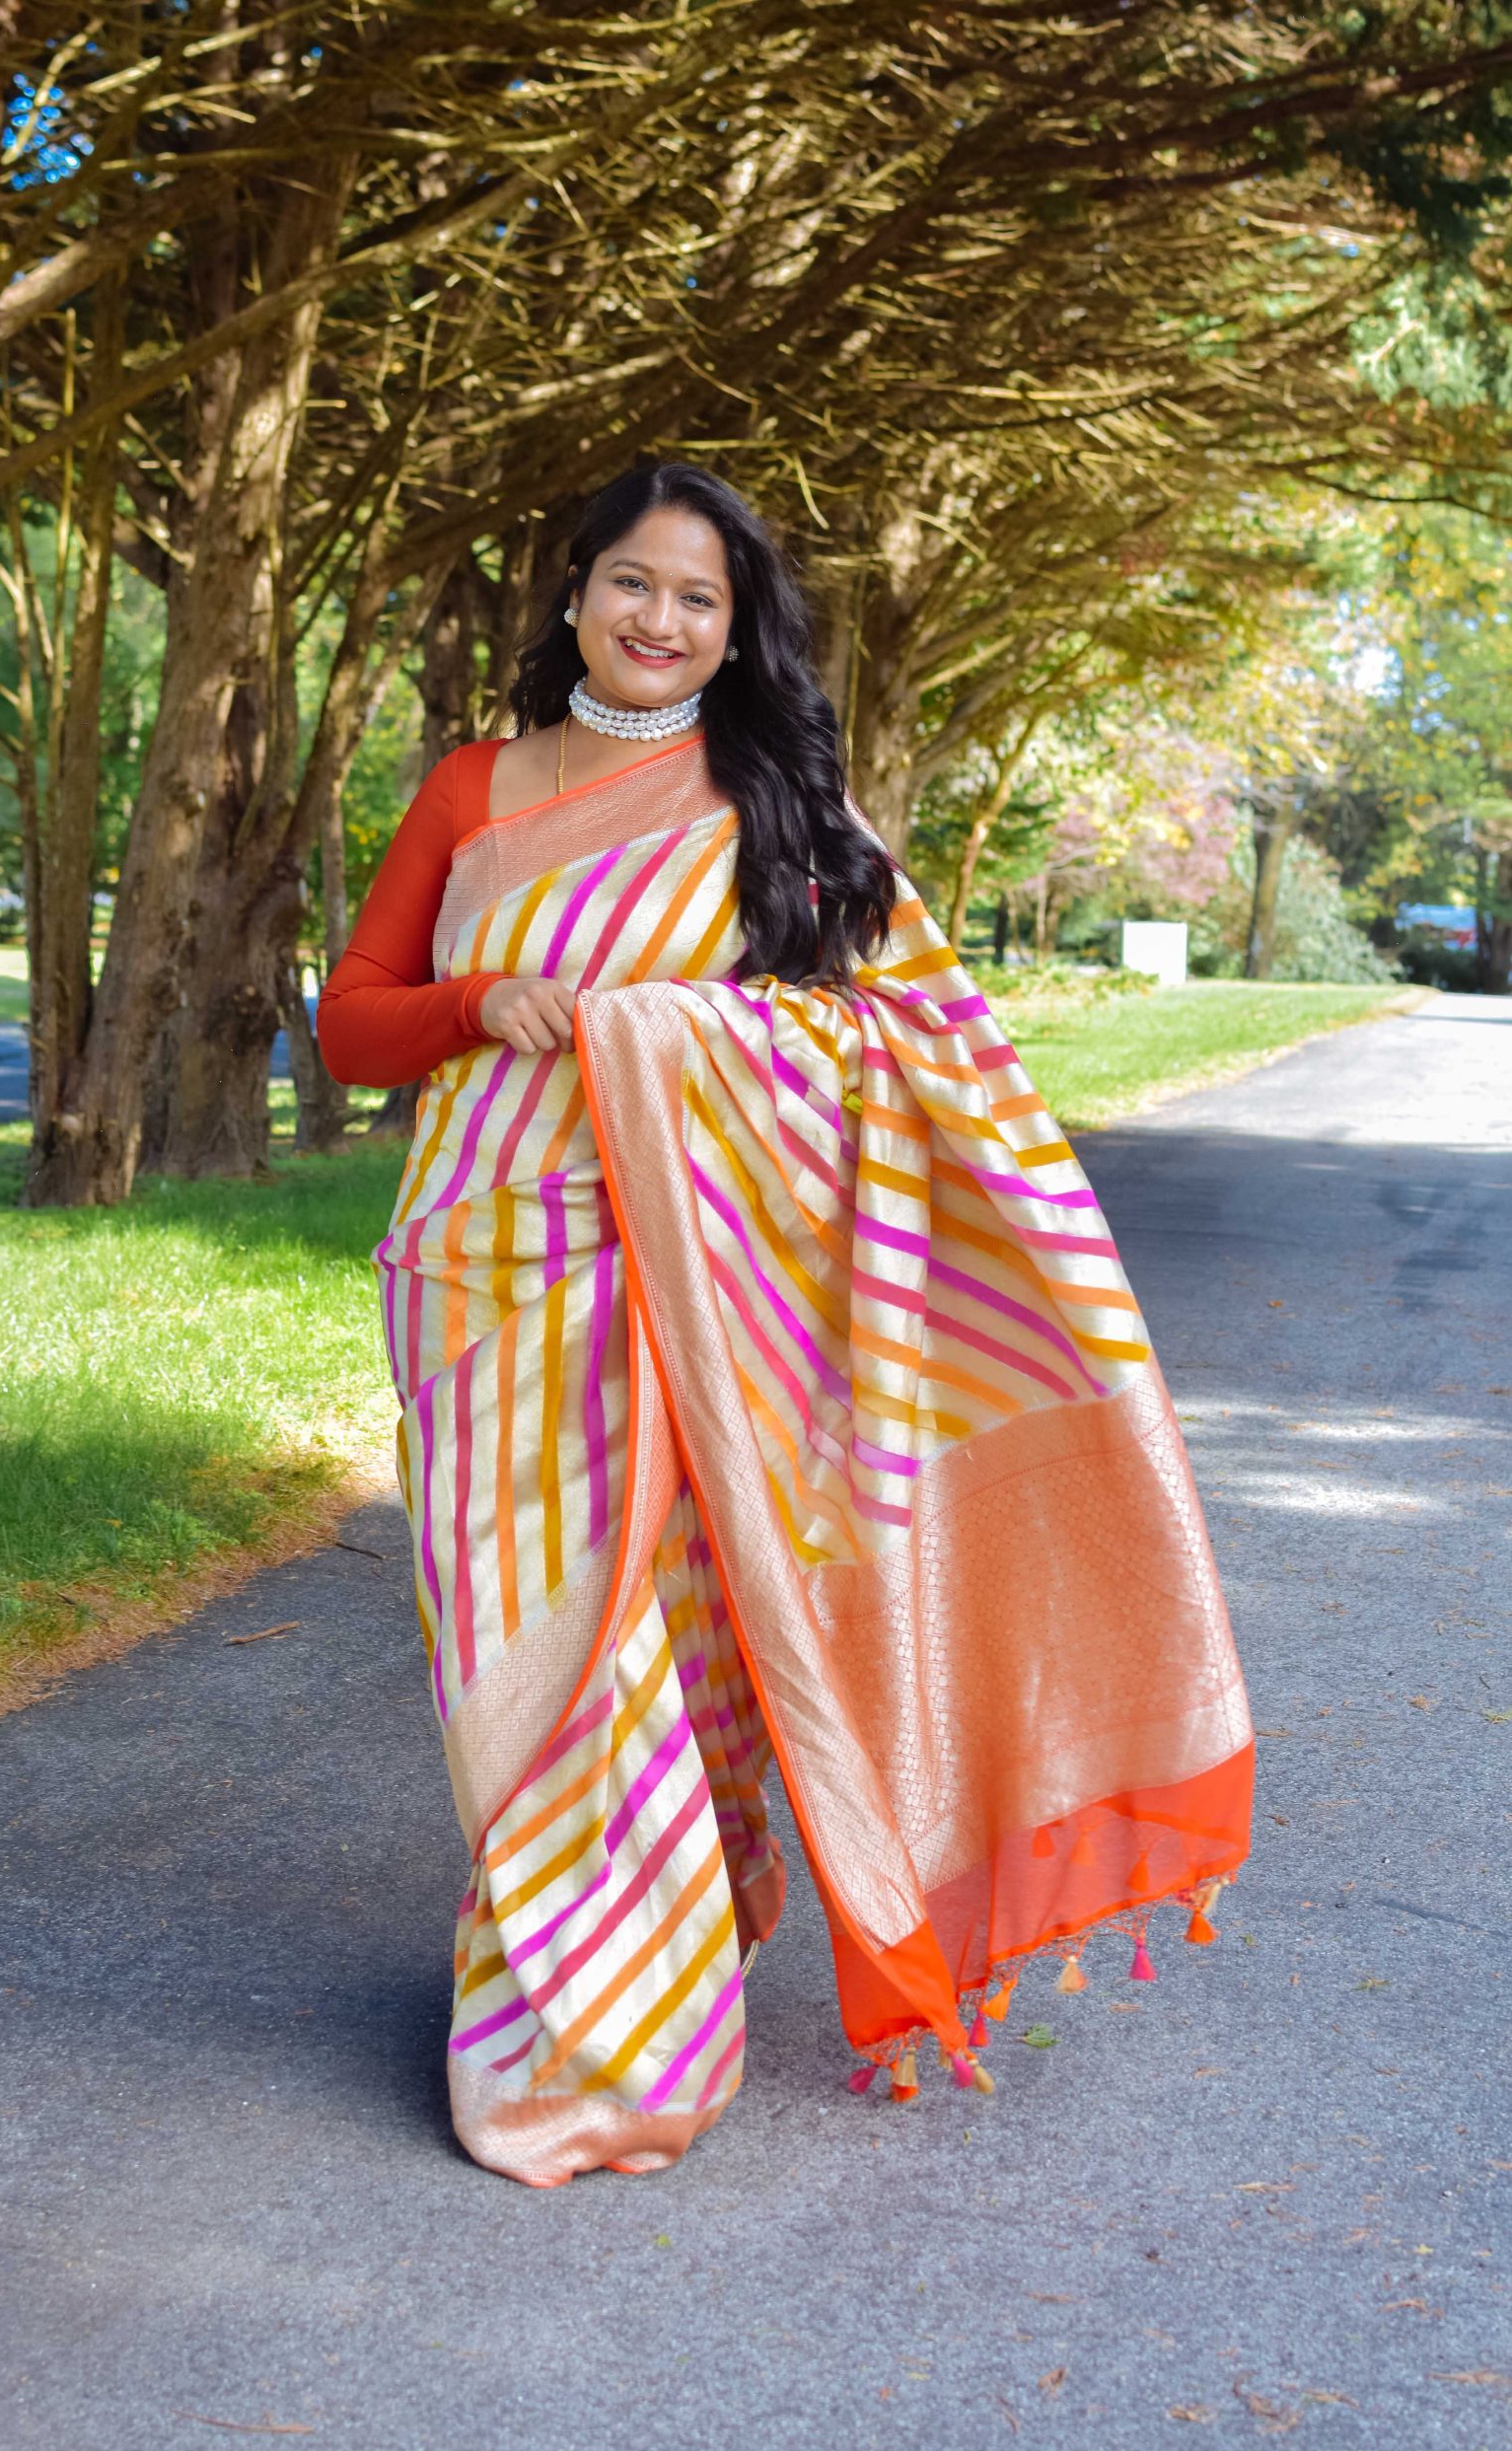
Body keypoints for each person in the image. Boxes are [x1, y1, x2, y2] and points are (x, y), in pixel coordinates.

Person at [318, 462, 1253, 2189]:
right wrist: (476, 1001)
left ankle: (619, 2020)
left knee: (659, 1644)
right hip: (480, 1276)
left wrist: (664, 1036)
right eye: (630, 584)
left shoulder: (777, 802)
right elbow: (355, 1027)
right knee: (505, 1655)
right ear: (574, 589)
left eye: (698, 600)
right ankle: (576, 1962)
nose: (657, 621)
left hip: (694, 1295)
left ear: (736, 633)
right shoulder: (475, 785)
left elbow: (902, 1042)